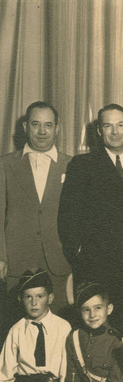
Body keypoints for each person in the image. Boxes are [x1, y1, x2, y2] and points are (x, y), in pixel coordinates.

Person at [58, 103, 123, 334]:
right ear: (99, 131)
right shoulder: (82, 165)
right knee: (97, 336)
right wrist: (79, 255)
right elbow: (68, 217)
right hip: (96, 270)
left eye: (120, 125)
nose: (115, 132)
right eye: (108, 126)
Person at [0, 101, 71, 323]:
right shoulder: (5, 164)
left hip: (59, 263)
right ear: (25, 128)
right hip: (18, 263)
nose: (42, 131)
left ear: (57, 129)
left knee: (60, 327)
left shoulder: (72, 165)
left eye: (48, 125)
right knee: (16, 328)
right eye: (35, 124)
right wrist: (1, 256)